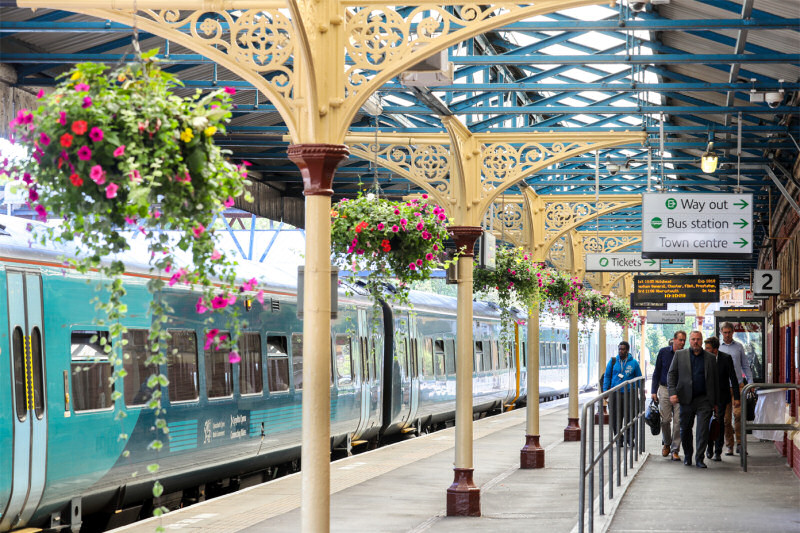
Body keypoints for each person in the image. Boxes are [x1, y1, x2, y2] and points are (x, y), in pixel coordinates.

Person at [667, 330, 719, 468]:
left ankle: (700, 458)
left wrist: (715, 403)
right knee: (685, 429)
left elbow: (715, 381)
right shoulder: (680, 355)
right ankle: (688, 456)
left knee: (702, 430)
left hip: (704, 400)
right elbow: (671, 375)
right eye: (693, 339)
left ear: (701, 341)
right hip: (686, 399)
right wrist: (672, 393)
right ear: (690, 341)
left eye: (698, 339)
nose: (695, 342)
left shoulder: (710, 358)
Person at [651, 330, 686, 461]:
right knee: (665, 420)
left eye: (684, 340)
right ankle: (667, 442)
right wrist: (653, 391)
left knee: (678, 422)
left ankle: (675, 449)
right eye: (680, 340)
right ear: (674, 340)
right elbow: (657, 371)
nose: (682, 342)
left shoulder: (686, 354)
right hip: (665, 389)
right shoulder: (663, 352)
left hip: (679, 391)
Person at [704, 336, 740, 462]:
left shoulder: (725, 358)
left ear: (714, 349)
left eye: (707, 348)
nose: (705, 350)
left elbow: (733, 377)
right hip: (706, 396)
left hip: (722, 396)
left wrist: (736, 397)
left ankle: (718, 451)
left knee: (720, 422)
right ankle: (709, 446)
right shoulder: (703, 358)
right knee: (707, 422)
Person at [718, 321, 752, 455]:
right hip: (724, 388)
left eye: (729, 332)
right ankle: (729, 445)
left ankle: (740, 444)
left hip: (738, 386)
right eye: (724, 332)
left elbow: (745, 365)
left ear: (733, 332)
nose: (727, 335)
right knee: (726, 419)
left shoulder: (739, 347)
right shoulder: (718, 348)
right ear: (721, 333)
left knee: (738, 416)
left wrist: (750, 382)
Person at [603, 341, 642, 446]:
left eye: (623, 349)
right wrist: (605, 390)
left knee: (630, 417)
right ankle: (619, 438)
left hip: (630, 394)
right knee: (616, 418)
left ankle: (630, 439)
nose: (621, 351)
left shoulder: (634, 363)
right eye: (619, 349)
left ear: (627, 350)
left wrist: (641, 392)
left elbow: (639, 378)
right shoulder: (613, 362)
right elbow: (607, 376)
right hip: (615, 393)